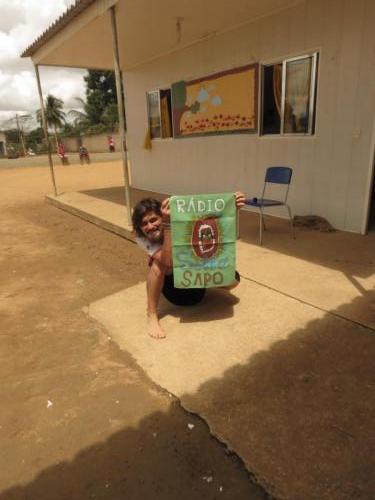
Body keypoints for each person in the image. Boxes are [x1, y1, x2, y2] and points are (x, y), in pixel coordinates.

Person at [132, 192, 245, 339]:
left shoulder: (177, 222)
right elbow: (168, 261)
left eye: (153, 220)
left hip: (196, 287)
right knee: (158, 264)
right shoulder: (142, 238)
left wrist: (231, 206)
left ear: (162, 216)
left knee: (233, 280)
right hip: (175, 292)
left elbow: (207, 219)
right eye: (144, 224)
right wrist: (166, 225)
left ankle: (208, 281)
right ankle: (151, 314)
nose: (150, 226)